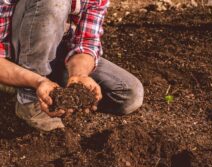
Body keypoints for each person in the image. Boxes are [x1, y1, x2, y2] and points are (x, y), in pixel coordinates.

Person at [0, 0, 144, 131]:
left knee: (128, 95)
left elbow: (87, 42)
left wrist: (79, 75)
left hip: (55, 49)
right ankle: (28, 98)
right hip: (12, 54)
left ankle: (47, 84)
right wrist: (37, 81)